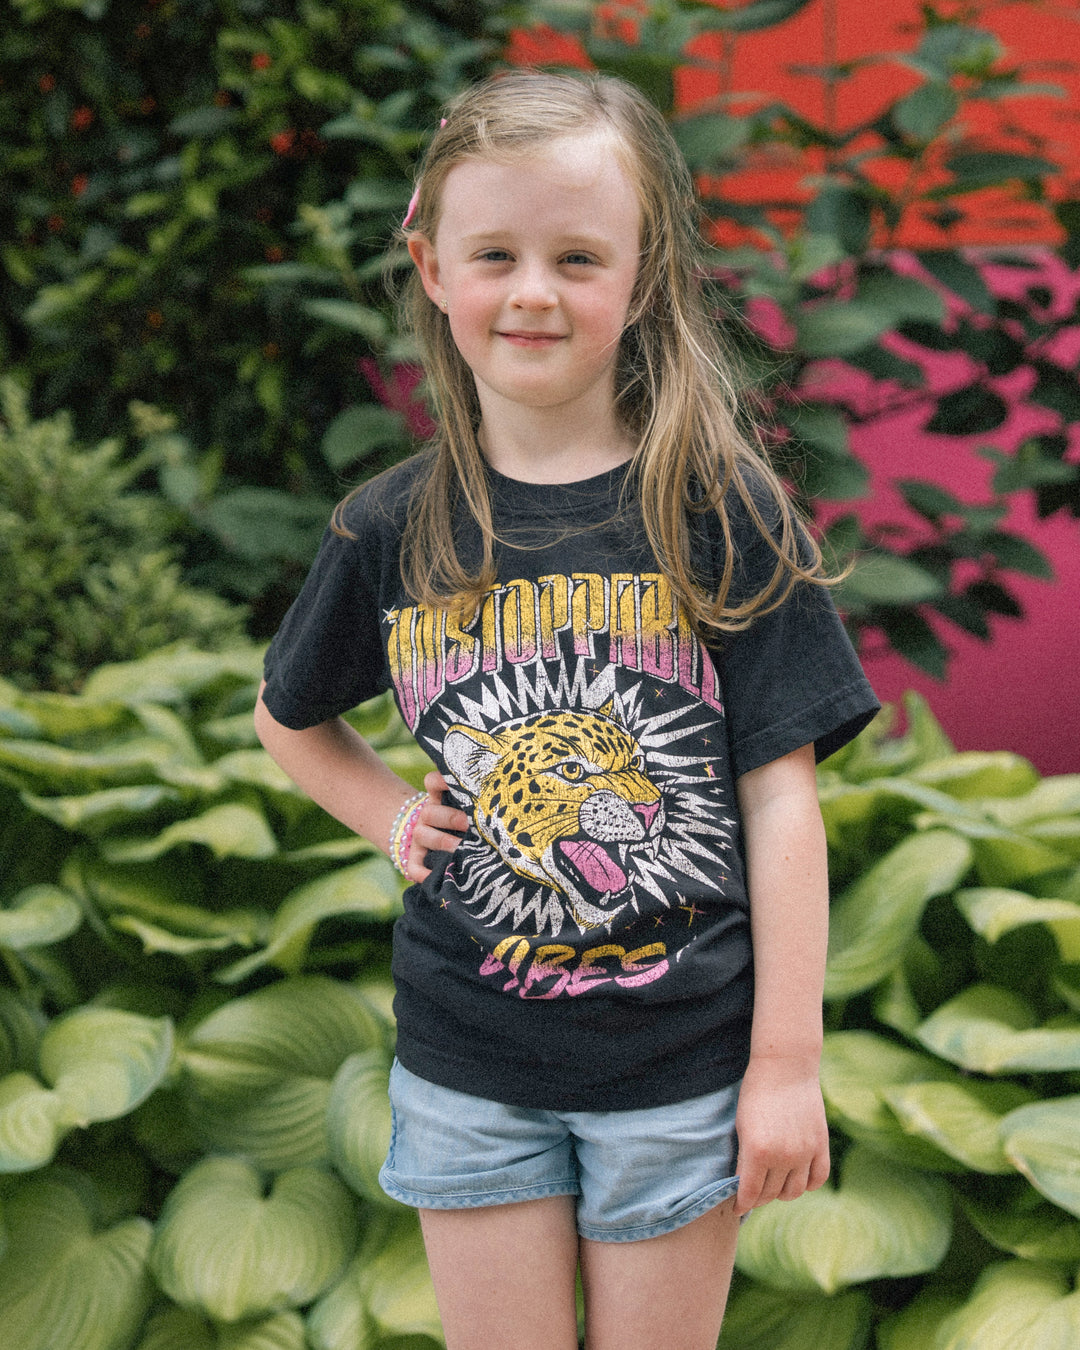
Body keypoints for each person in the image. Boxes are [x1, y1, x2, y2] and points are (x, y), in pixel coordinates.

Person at [255, 69, 879, 1350]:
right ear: (433, 269)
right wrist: (391, 820)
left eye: (577, 257)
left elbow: (782, 805)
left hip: (683, 1072)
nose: (533, 291)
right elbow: (289, 718)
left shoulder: (719, 509)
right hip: (468, 1068)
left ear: (643, 280)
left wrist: (785, 1067)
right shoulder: (390, 526)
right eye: (497, 254)